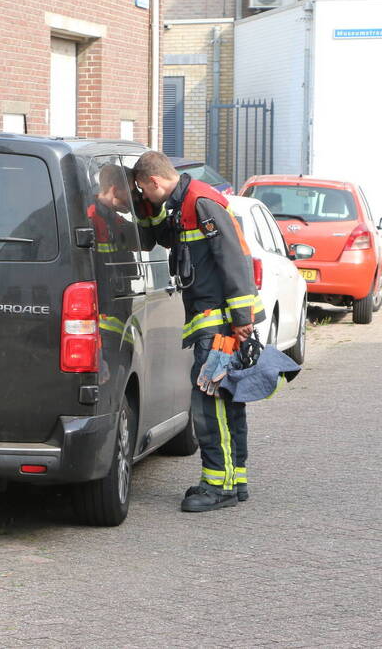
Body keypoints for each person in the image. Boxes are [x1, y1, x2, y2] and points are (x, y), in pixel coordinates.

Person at [133, 151, 264, 512]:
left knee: (210, 401)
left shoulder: (201, 202)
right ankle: (234, 481)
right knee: (227, 400)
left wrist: (240, 318)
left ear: (155, 182)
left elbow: (233, 257)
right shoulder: (180, 205)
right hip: (217, 322)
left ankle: (216, 485)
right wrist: (145, 211)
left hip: (221, 324)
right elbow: (155, 239)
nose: (143, 196)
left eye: (144, 190)